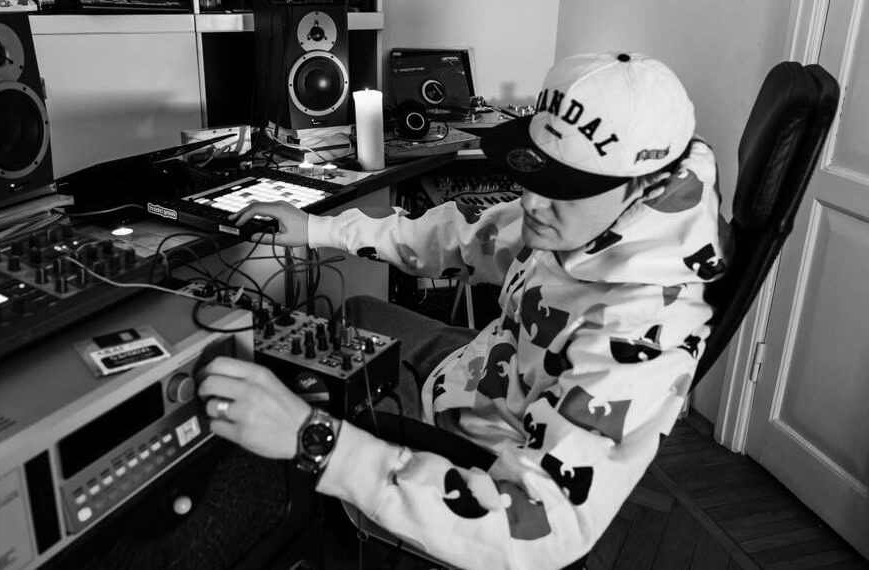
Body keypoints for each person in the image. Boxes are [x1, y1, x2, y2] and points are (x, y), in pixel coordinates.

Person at [196, 52, 732, 569]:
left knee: (269, 454)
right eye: (536, 170)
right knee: (357, 311)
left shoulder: (643, 331)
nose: (531, 201)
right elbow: (466, 233)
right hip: (479, 369)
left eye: (564, 187)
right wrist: (317, 228)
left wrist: (318, 442)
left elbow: (541, 527)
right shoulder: (583, 218)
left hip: (482, 447)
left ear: (644, 186)